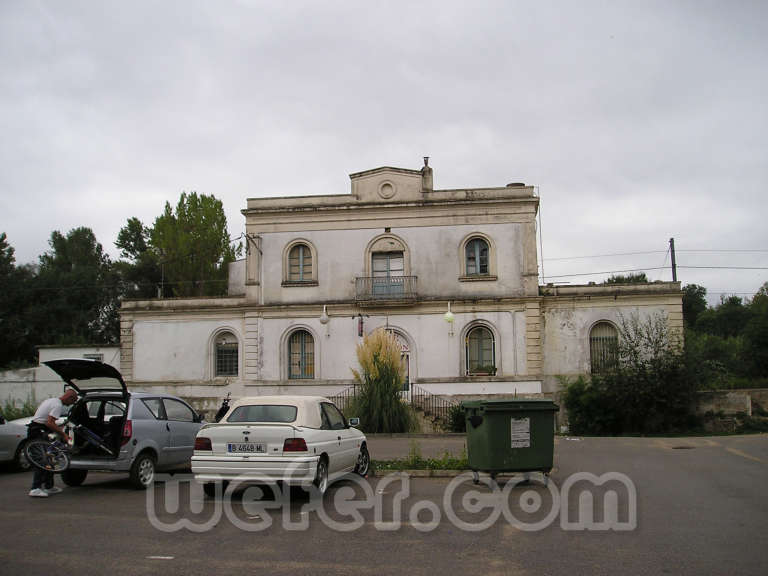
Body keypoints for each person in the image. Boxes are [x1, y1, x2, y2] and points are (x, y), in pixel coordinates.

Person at [28, 389, 78, 498]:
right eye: (73, 401)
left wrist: (58, 429)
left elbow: (47, 420)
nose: (71, 404)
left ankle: (49, 486)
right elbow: (49, 422)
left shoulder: (51, 400)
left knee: (50, 457)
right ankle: (35, 488)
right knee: (42, 459)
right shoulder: (58, 405)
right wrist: (64, 435)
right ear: (69, 397)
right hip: (38, 431)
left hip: (38, 429)